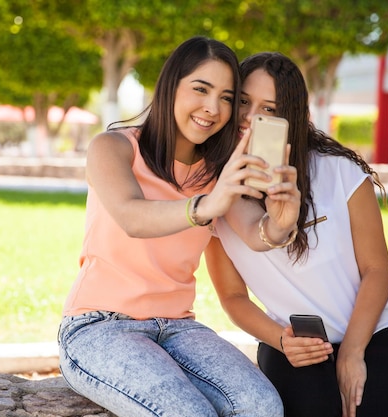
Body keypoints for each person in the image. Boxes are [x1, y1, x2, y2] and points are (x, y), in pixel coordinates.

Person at [57, 37, 290, 417]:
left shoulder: (219, 172)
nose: (213, 108)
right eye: (201, 89)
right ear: (171, 87)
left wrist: (282, 220)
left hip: (180, 329)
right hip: (99, 326)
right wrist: (207, 205)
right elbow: (133, 218)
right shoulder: (113, 148)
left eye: (227, 97)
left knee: (262, 405)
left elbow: (257, 233)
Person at [207, 52, 388, 417]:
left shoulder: (338, 170)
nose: (251, 118)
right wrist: (281, 340)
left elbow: (377, 270)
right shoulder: (213, 197)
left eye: (270, 108)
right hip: (295, 341)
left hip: (382, 330)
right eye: (244, 102)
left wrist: (353, 353)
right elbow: (233, 297)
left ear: (290, 116)